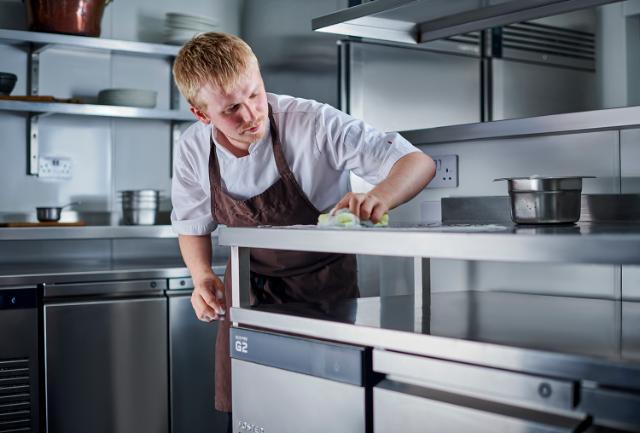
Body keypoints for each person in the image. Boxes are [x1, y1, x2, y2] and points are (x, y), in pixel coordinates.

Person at [170, 32, 435, 427]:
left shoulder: (312, 122)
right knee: (256, 412)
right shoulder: (193, 147)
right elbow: (192, 220)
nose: (251, 115)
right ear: (202, 115)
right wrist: (202, 275)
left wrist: (381, 196)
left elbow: (417, 162)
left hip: (325, 290)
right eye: (230, 110)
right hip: (248, 296)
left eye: (255, 95)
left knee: (326, 411)